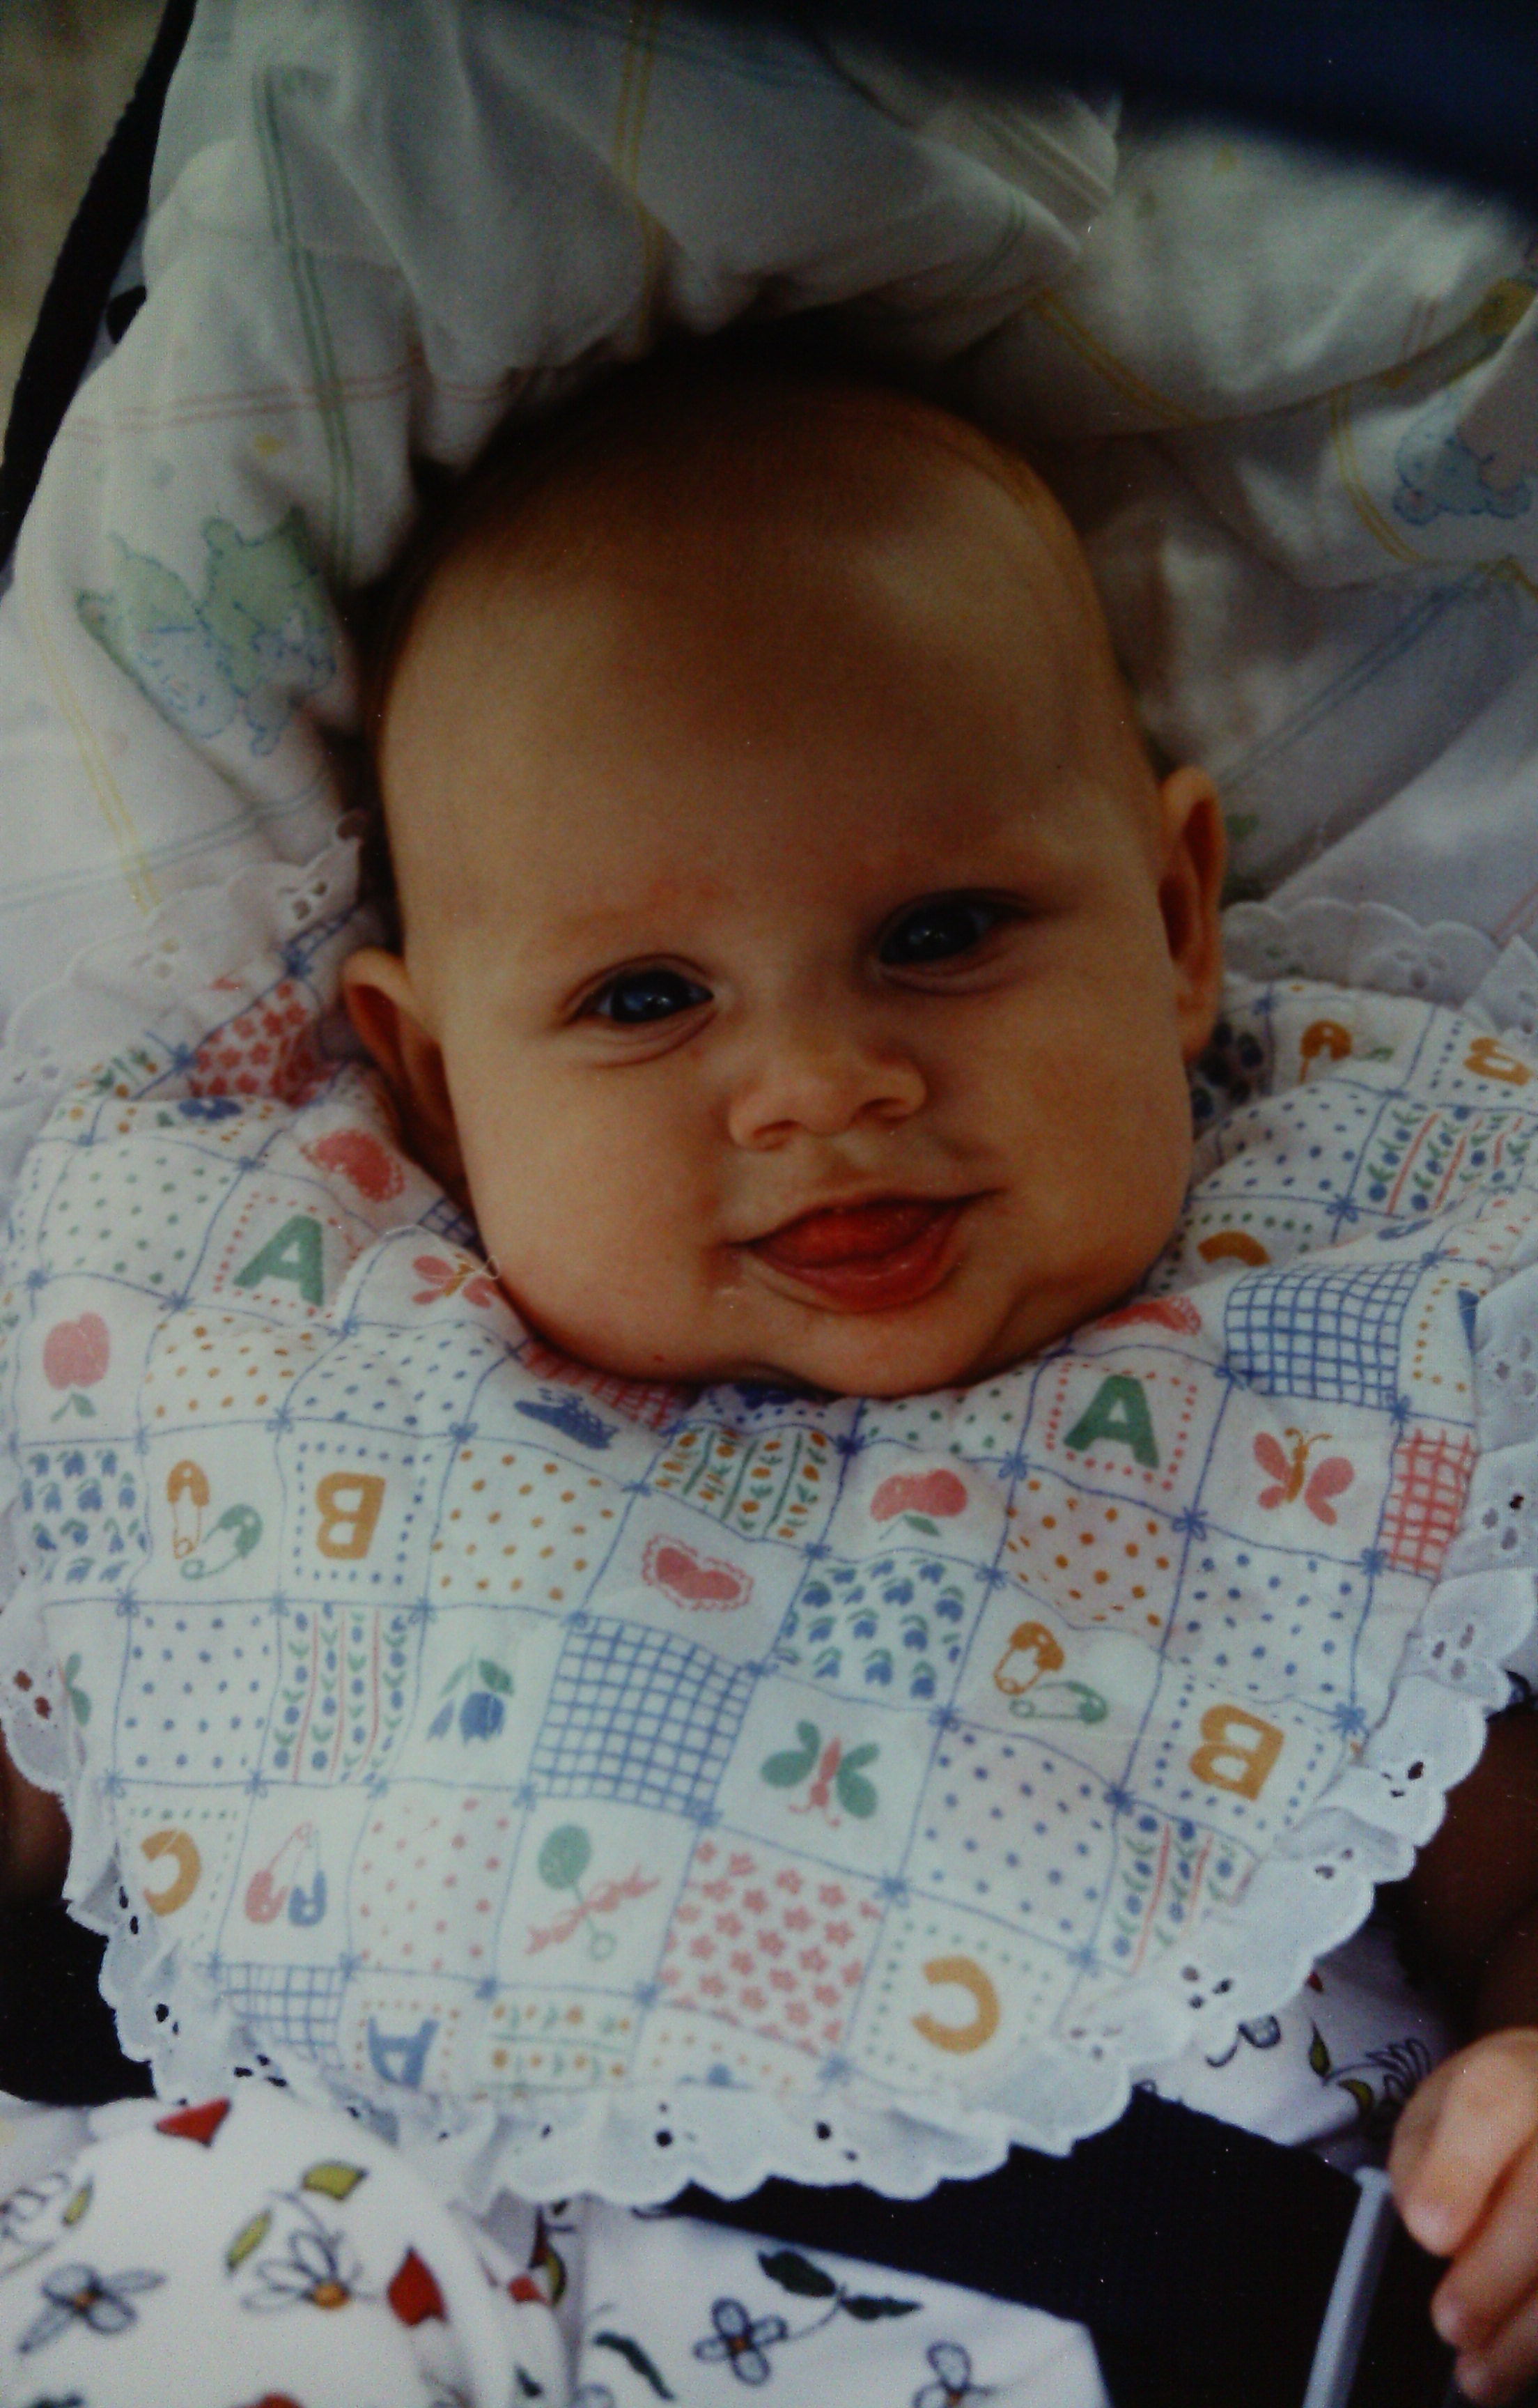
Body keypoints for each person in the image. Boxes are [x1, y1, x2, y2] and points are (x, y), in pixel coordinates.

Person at [2, 345, 1537, 2405]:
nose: (820, 1084)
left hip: (1118, 2315)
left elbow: (1511, 1869)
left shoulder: (1333, 1369)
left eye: (942, 931)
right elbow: (70, 1729)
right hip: (389, 2265)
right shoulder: (298, 1370)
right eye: (647, 996)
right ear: (437, 1082)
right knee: (167, 2254)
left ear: (1180, 925)